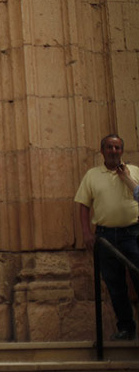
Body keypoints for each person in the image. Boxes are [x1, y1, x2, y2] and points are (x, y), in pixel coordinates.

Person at [75, 133, 139, 341]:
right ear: (102, 151)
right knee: (115, 284)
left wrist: (126, 177)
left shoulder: (135, 172)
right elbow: (83, 205)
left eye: (117, 148)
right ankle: (126, 328)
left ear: (122, 151)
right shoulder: (92, 175)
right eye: (109, 148)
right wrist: (86, 233)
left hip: (133, 234)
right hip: (105, 237)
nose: (114, 151)